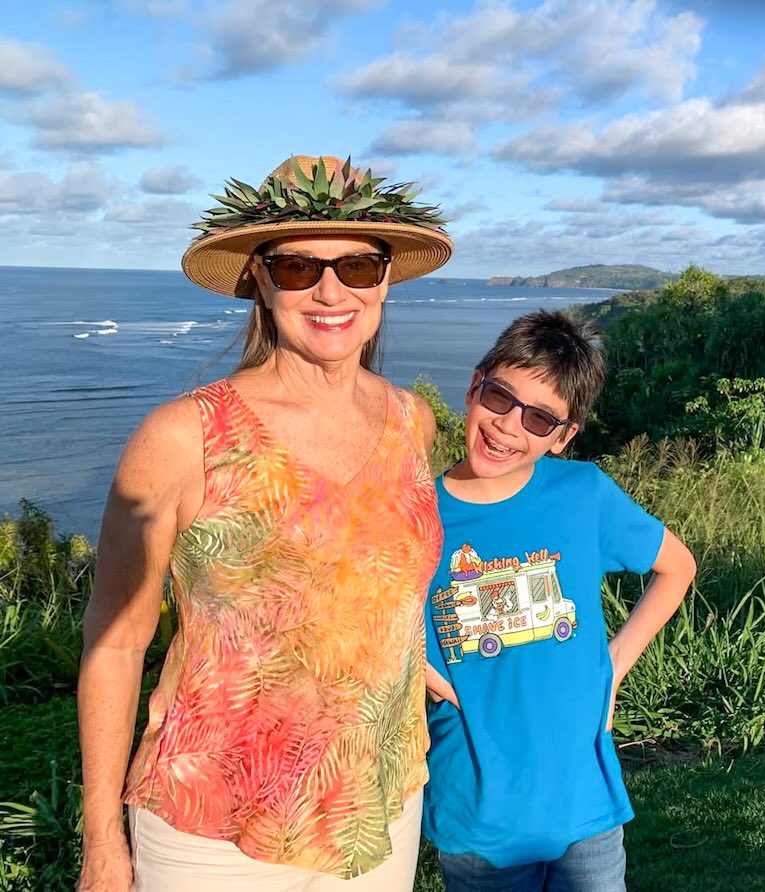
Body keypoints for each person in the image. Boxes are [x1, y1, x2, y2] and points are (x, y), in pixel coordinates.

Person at [76, 155, 452, 891]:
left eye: (358, 265)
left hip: (377, 806)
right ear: (257, 279)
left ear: (385, 281)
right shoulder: (184, 437)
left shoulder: (413, 421)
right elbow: (116, 641)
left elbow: (375, 574)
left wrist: (401, 655)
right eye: (298, 268)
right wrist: (102, 844)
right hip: (213, 825)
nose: (331, 290)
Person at [423, 310, 697, 891]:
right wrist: (400, 658)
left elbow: (677, 567)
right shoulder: (414, 515)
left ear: (564, 436)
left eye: (541, 418)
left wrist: (614, 666)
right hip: (478, 818)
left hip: (586, 811)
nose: (507, 427)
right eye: (499, 398)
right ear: (474, 387)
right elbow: (345, 607)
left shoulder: (584, 494)